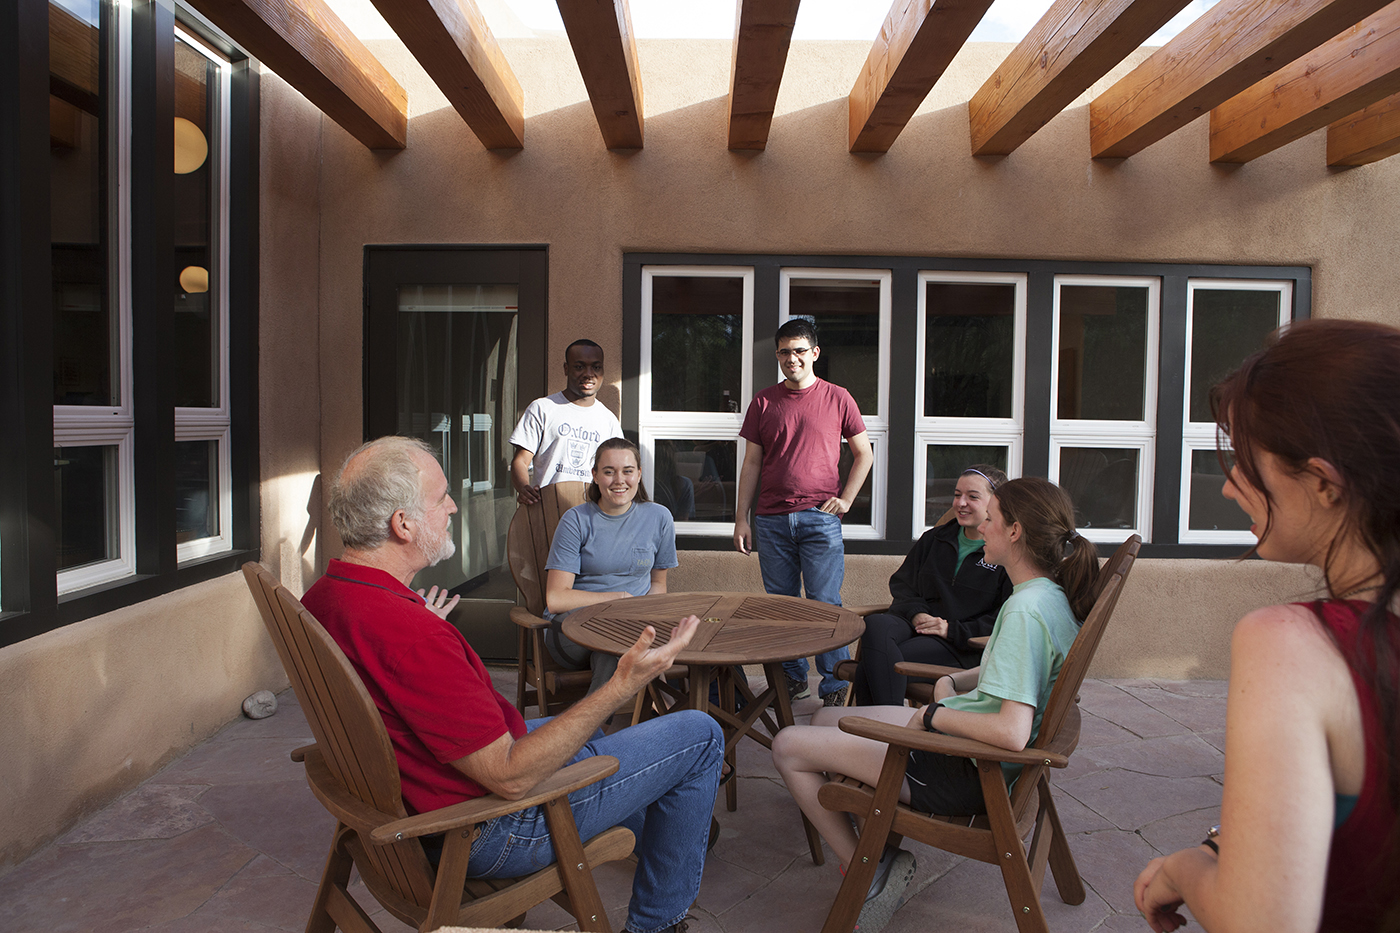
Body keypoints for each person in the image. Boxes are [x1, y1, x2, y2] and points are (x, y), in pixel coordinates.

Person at [303, 436, 722, 933]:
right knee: (698, 734)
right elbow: (509, 776)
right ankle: (658, 922)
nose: (454, 506)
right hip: (491, 829)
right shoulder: (413, 638)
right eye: (441, 498)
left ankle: (663, 825)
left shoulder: (327, 598)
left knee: (597, 737)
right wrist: (622, 685)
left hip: (440, 790)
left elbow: (400, 677)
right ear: (403, 524)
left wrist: (419, 622)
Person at [1134, 319, 1400, 933]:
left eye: (1247, 464)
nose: (1228, 488)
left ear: (1323, 483)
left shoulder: (1294, 645)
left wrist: (1181, 871)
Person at [772, 477, 1100, 933]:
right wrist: (953, 680)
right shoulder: (1047, 596)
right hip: (962, 745)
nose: (982, 525)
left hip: (965, 768)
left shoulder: (1025, 611)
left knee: (788, 743)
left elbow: (1011, 733)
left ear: (1015, 531)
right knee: (830, 716)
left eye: (993, 517)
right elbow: (1017, 670)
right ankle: (874, 836)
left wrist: (932, 713)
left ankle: (869, 868)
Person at [733, 319, 874, 707]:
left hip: (819, 518)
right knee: (781, 606)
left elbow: (865, 454)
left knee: (824, 602)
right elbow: (751, 465)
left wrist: (845, 500)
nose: (791, 358)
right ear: (776, 355)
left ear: (814, 353)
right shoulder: (763, 401)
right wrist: (741, 518)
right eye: (783, 352)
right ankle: (792, 679)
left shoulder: (838, 397)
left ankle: (835, 684)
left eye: (798, 351)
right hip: (772, 520)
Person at [853, 465, 1014, 707]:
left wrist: (950, 629)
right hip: (915, 624)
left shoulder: (1004, 553)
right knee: (876, 624)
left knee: (875, 663)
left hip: (962, 644)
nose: (960, 503)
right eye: (957, 494)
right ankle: (888, 728)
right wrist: (917, 614)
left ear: (995, 502)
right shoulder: (935, 539)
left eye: (972, 496)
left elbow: (1003, 617)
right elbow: (903, 584)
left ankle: (885, 732)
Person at [545, 437, 678, 695]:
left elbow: (658, 585)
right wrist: (620, 599)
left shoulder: (659, 518)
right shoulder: (576, 521)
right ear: (595, 475)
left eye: (627, 471)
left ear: (638, 475)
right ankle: (662, 713)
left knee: (700, 636)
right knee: (620, 646)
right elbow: (556, 599)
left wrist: (642, 615)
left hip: (631, 625)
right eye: (609, 472)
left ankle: (603, 730)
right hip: (571, 628)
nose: (619, 480)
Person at [510, 339, 624, 505]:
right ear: (566, 369)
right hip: (546, 511)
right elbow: (520, 461)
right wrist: (524, 487)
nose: (589, 373)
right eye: (579, 367)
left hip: (591, 513)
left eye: (596, 367)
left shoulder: (609, 420)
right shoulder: (542, 408)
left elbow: (616, 470)